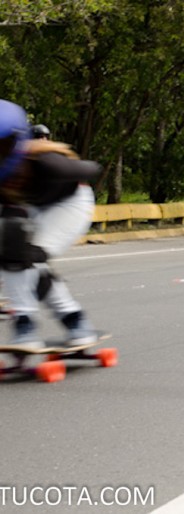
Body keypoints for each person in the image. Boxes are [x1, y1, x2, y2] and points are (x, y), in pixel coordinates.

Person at [0, 99, 101, 349]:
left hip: (71, 202)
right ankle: (74, 319)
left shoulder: (47, 163)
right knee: (10, 252)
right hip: (34, 207)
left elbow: (93, 169)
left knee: (30, 256)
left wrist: (69, 164)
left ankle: (25, 324)